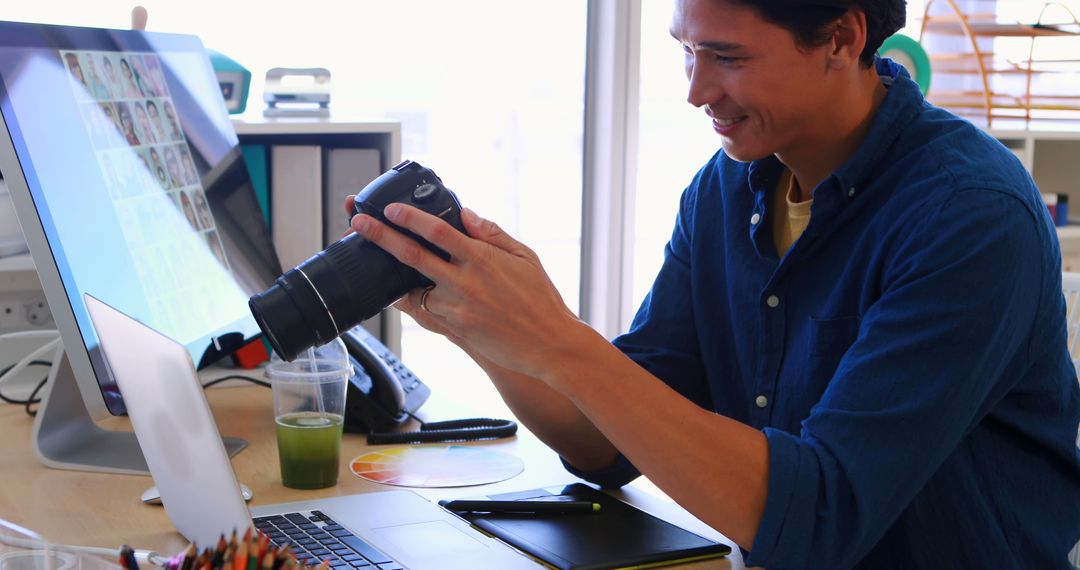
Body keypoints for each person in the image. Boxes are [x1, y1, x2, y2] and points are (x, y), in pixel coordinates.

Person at [348, 1, 1080, 568]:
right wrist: (481, 322)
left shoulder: (971, 215)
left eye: (726, 56)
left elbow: (819, 520)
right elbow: (607, 446)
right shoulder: (726, 191)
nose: (697, 90)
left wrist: (561, 342)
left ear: (841, 39)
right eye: (688, 52)